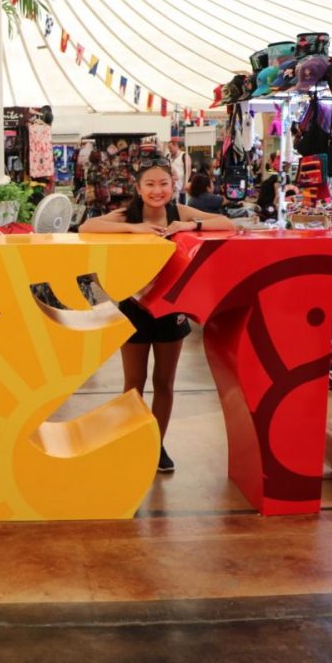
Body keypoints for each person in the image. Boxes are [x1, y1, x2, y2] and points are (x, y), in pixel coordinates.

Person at [79, 156, 235, 472]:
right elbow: (86, 226)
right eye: (149, 184)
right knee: (133, 383)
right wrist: (133, 228)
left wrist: (190, 225)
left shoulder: (179, 212)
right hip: (134, 306)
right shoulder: (129, 214)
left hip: (171, 308)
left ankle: (156, 445)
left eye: (163, 183)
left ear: (172, 185)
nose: (157, 190)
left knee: (164, 382)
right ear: (138, 188)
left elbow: (228, 224)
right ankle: (129, 441)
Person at [166, 137, 192, 203]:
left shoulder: (184, 156)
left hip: (181, 188)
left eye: (170, 148)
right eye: (168, 148)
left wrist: (184, 186)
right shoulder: (168, 156)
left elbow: (188, 172)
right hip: (171, 188)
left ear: (176, 146)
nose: (169, 150)